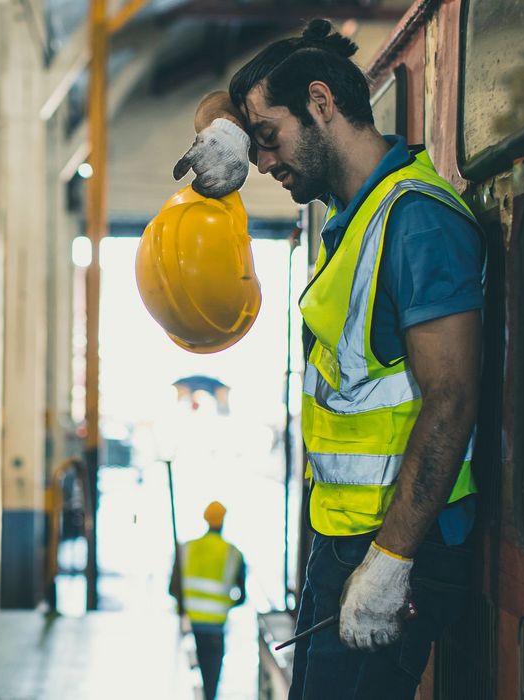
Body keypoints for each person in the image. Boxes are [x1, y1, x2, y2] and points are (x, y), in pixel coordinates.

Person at [173, 19, 484, 699]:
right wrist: (226, 127)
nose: (261, 163)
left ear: (321, 103)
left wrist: (391, 560)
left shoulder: (416, 221)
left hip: (395, 547)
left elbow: (453, 397)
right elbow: (223, 102)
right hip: (343, 540)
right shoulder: (355, 218)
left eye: (265, 138)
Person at [169, 501, 246, 700]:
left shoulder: (186, 549)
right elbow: (242, 597)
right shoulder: (233, 553)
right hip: (215, 627)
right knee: (211, 683)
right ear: (223, 521)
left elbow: (172, 589)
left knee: (193, 676)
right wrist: (226, 605)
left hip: (190, 626)